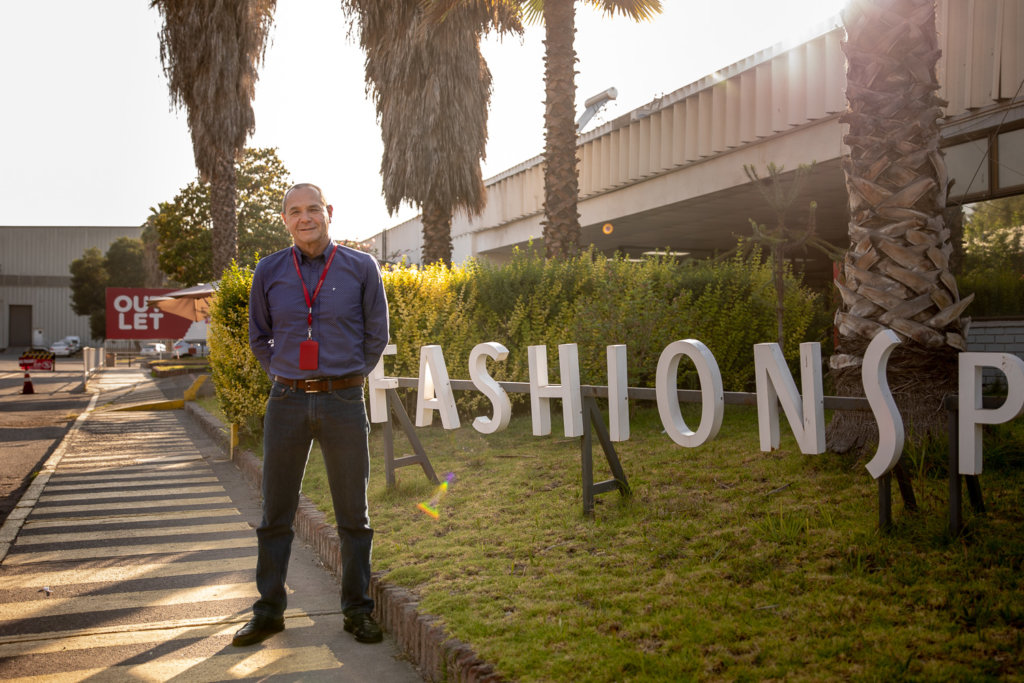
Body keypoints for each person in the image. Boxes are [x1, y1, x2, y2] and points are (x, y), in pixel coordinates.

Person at [233, 182, 390, 647]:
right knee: (275, 512)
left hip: (343, 402)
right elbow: (259, 336)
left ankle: (357, 611)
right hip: (287, 403)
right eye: (295, 211)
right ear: (284, 219)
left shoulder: (362, 267)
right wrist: (283, 372)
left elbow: (376, 334)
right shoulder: (269, 270)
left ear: (329, 212)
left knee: (353, 515)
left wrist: (349, 376)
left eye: (313, 209)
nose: (306, 218)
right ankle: (268, 612)